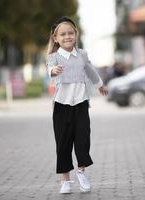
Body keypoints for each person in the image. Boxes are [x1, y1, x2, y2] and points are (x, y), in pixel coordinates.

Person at [46, 16, 108, 194]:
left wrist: (100, 85)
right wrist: (53, 70)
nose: (67, 36)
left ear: (76, 35)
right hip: (61, 106)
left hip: (81, 105)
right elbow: (49, 71)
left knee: (83, 140)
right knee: (63, 143)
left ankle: (81, 172)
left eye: (70, 33)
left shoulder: (82, 54)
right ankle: (65, 180)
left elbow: (90, 71)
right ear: (55, 38)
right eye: (63, 34)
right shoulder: (54, 57)